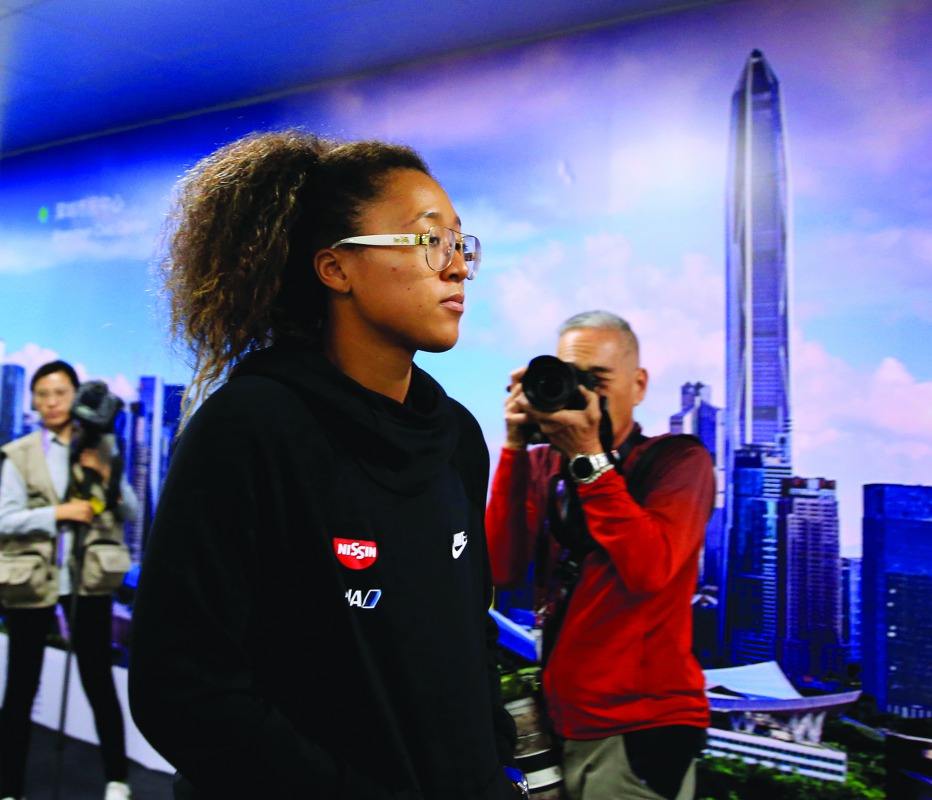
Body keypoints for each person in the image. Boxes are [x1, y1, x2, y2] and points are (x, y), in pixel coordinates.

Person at [127, 130, 522, 799]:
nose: (456, 266)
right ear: (335, 268)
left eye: (461, 243)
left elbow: (465, 634)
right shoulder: (249, 431)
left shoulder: (455, 436)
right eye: (430, 240)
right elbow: (183, 691)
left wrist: (496, 772)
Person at [486, 311, 714, 800]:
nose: (581, 393)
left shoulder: (679, 460)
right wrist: (514, 448)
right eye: (570, 378)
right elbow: (502, 568)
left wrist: (589, 459)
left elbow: (650, 569)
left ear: (639, 385)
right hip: (562, 722)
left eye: (597, 380)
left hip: (641, 728)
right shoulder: (548, 463)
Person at [0, 359, 138, 800]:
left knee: (98, 682)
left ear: (76, 397)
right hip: (31, 581)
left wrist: (103, 472)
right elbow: (5, 519)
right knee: (20, 690)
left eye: (60, 392)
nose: (52, 402)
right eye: (42, 394)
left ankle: (118, 780)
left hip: (87, 583)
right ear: (33, 401)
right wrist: (58, 513)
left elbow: (131, 510)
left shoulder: (101, 446)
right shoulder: (18, 454)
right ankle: (8, 787)